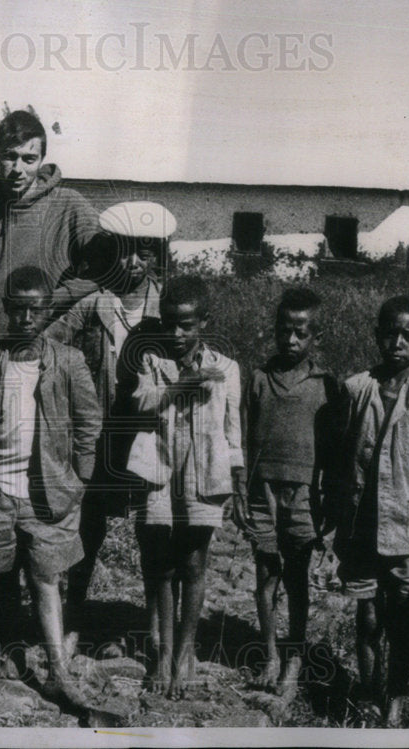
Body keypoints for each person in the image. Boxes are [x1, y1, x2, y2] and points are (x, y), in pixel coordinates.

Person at [0, 266, 102, 709]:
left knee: (46, 577)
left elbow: (89, 422)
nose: (26, 319)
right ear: (6, 310)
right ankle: (2, 651)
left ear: (47, 312)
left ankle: (57, 670)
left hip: (48, 492)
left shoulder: (68, 361)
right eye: (17, 310)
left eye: (35, 310)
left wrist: (79, 478)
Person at [42, 200, 173, 657]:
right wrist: (73, 387)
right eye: (125, 251)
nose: (133, 262)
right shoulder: (96, 303)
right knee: (88, 527)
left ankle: (153, 632)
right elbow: (48, 341)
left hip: (149, 437)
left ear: (158, 256)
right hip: (98, 436)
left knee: (150, 531)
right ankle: (74, 619)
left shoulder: (168, 308)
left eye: (144, 252)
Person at [331, 295, 409, 726]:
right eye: (390, 332)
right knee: (366, 613)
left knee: (401, 618)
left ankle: (397, 699)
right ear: (377, 333)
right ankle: (367, 691)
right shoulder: (355, 388)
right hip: (362, 524)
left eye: (408, 335)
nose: (397, 342)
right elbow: (341, 454)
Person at [123, 275, 244, 699]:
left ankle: (185, 654)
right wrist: (180, 386)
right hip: (159, 475)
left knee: (193, 565)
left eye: (186, 325)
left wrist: (238, 484)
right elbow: (141, 402)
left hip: (204, 476)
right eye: (170, 323)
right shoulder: (152, 362)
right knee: (161, 567)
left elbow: (233, 432)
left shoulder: (226, 369)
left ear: (203, 323)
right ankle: (162, 650)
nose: (177, 334)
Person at [233, 288, 339, 695]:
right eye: (283, 331)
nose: (290, 341)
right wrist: (240, 490)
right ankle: (269, 654)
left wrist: (326, 500)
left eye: (300, 333)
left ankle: (294, 657)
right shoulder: (258, 378)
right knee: (265, 573)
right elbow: (243, 436)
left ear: (316, 336)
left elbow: (332, 450)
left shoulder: (326, 385)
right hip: (263, 491)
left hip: (303, 495)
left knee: (296, 577)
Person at [0, 108, 99, 346]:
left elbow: (107, 267)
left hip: (35, 352)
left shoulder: (69, 205)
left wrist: (57, 298)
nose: (18, 169)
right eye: (10, 156)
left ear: (42, 157)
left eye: (29, 159)